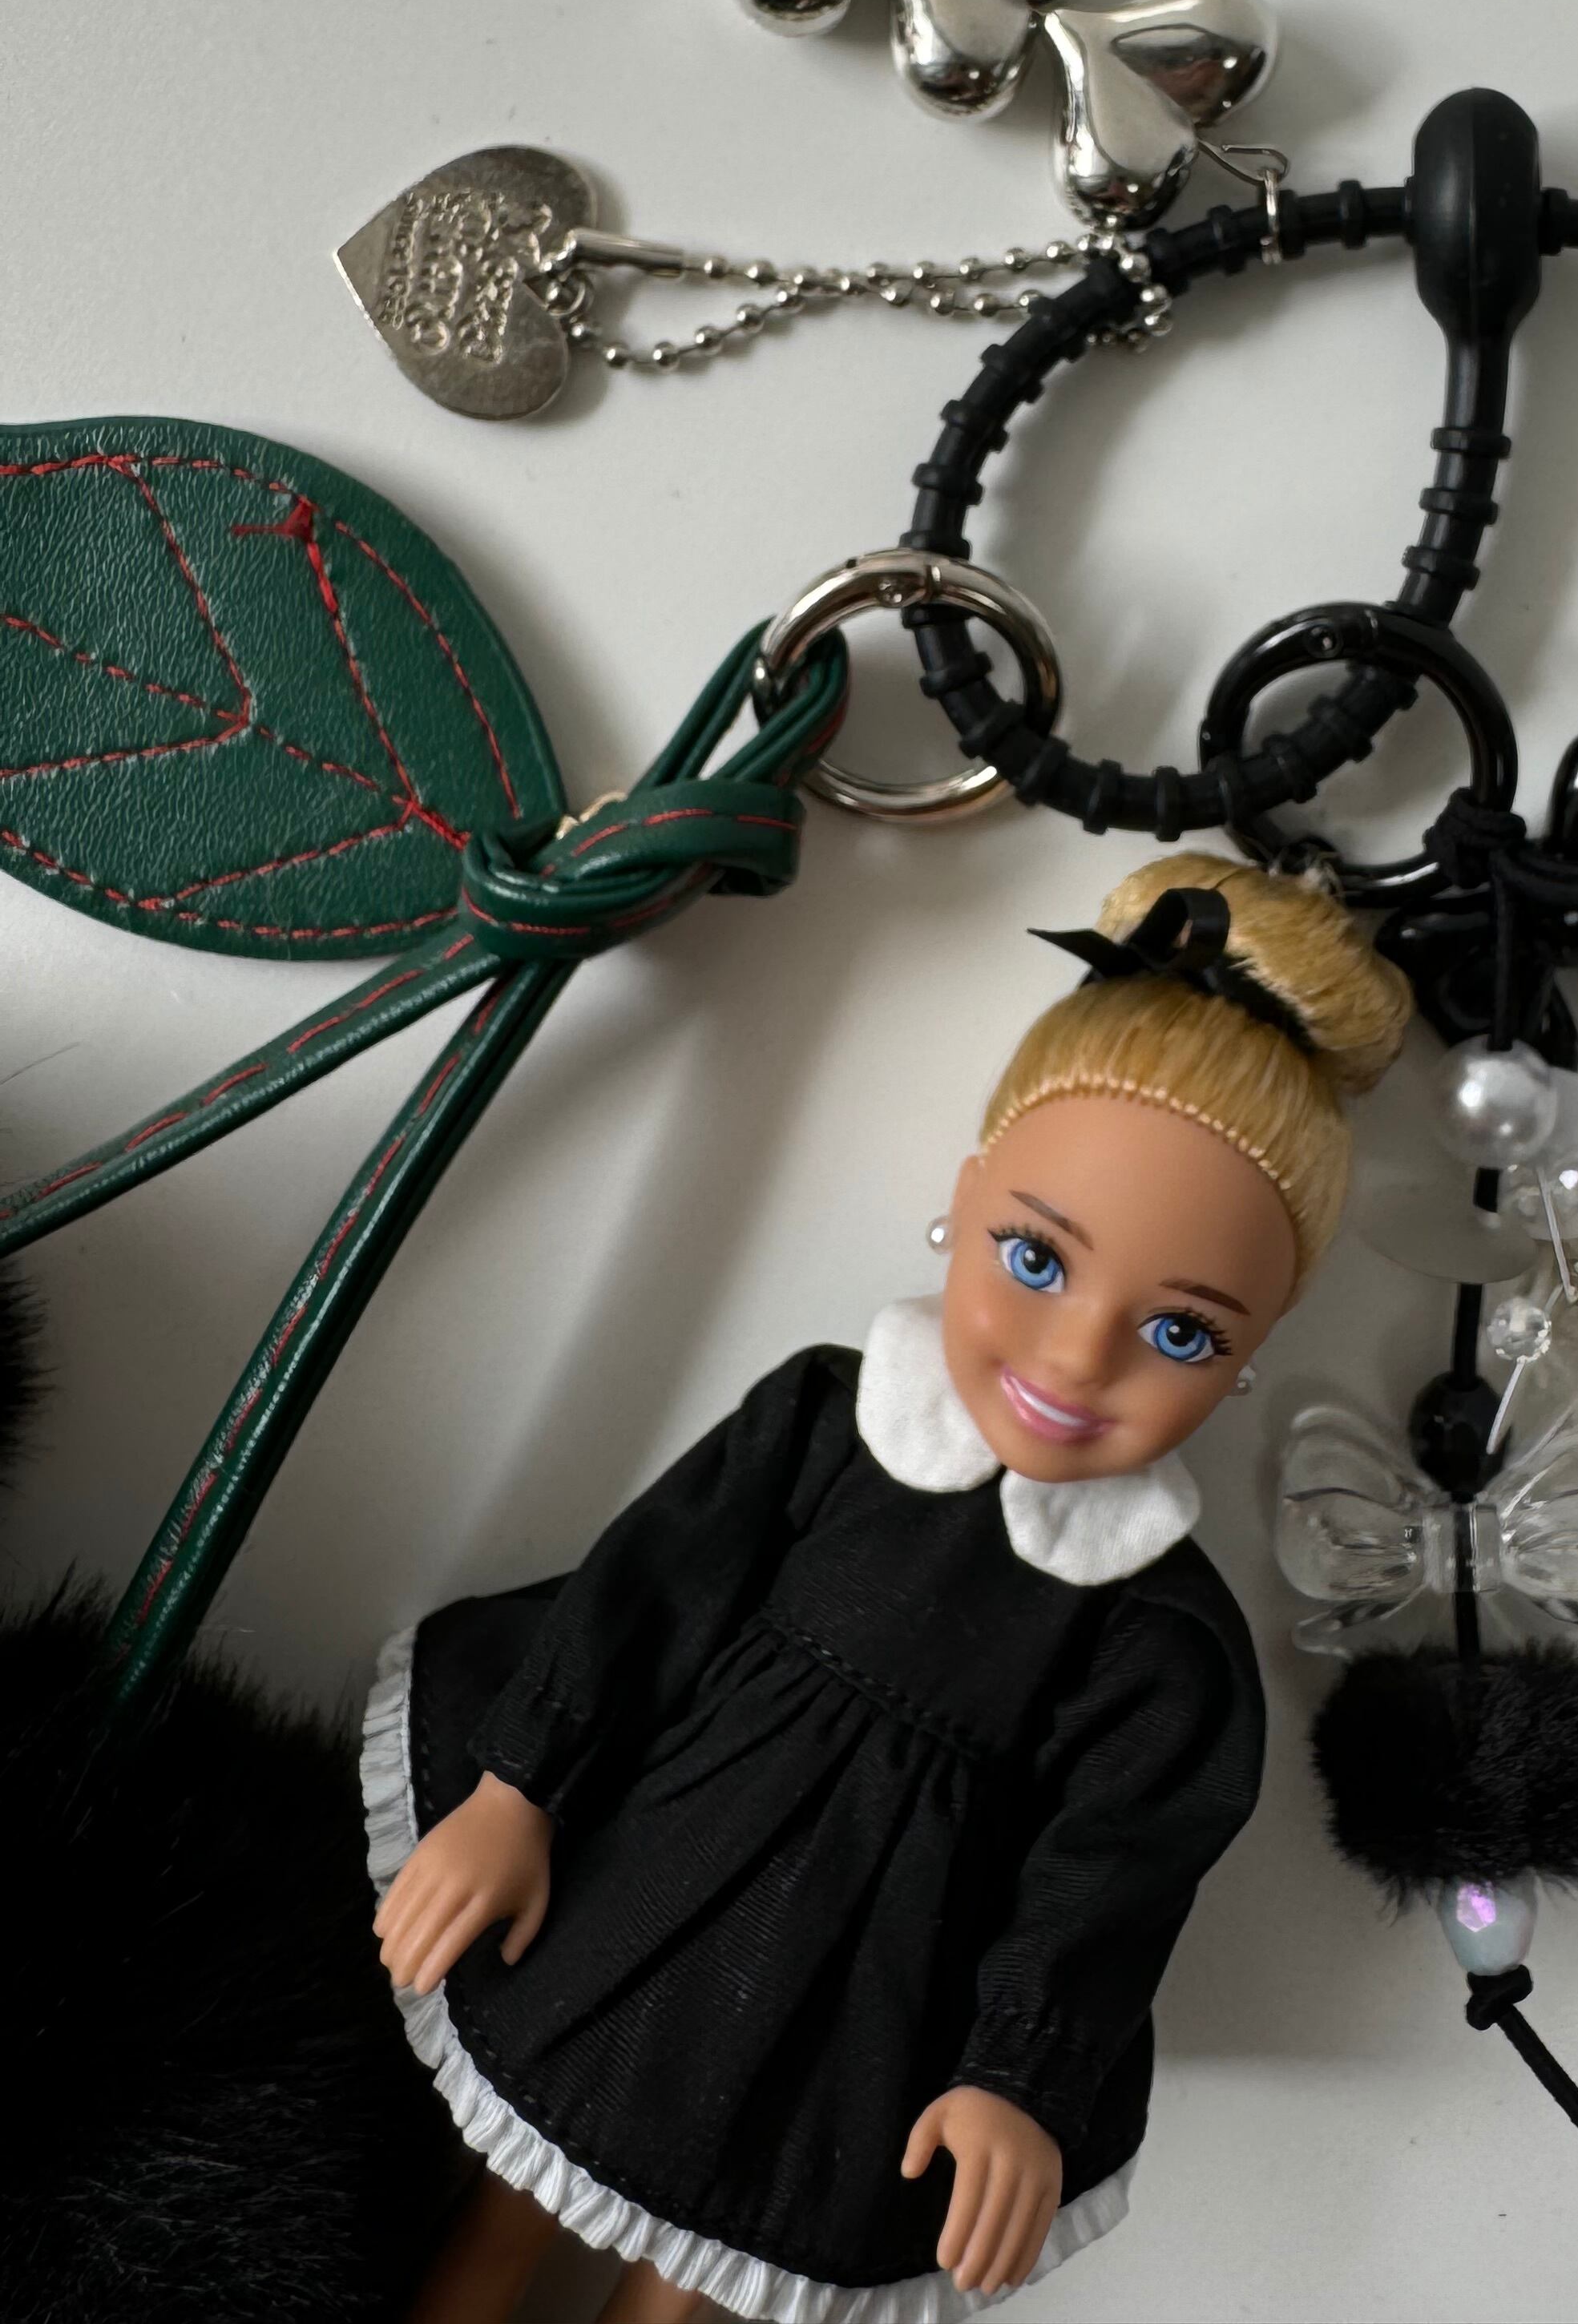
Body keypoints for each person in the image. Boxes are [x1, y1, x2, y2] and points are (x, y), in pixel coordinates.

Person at [365, 854, 1411, 2322]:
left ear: (1256, 1352)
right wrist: (520, 1785)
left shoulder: (1161, 1641)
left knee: (702, 2287)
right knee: (493, 2227)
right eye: (1035, 1257)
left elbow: (1107, 1878)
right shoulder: (825, 1426)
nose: (1074, 1359)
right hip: (642, 1896)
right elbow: (651, 1591)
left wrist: (1019, 2078)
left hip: (861, 2028)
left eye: (1182, 1334)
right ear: (964, 1201)